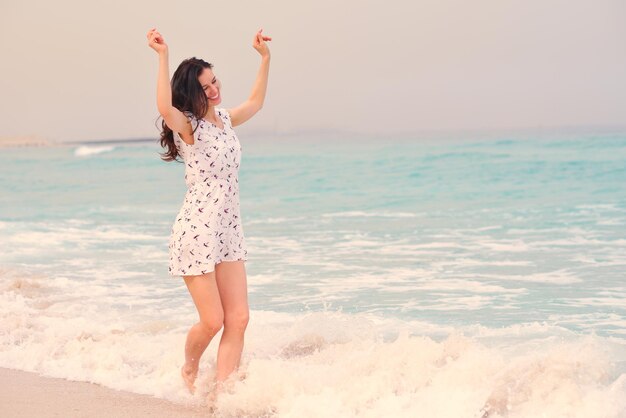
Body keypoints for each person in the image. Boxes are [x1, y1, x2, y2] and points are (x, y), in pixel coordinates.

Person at [146, 27, 271, 402]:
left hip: (228, 231)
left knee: (239, 319)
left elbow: (256, 102)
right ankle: (189, 365)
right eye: (204, 87)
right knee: (213, 320)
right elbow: (163, 108)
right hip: (197, 232)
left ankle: (223, 396)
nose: (213, 89)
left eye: (214, 81)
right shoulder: (189, 127)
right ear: (191, 93)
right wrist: (163, 56)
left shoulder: (226, 120)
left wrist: (265, 58)